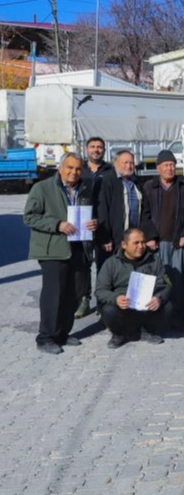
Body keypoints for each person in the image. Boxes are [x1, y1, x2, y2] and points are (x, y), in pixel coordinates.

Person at [23, 151, 97, 354]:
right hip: (53, 249)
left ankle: (62, 333)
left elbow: (91, 213)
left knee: (75, 293)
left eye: (78, 169)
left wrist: (94, 223)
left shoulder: (84, 188)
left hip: (79, 246)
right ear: (60, 168)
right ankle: (45, 337)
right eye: (70, 168)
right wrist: (58, 225)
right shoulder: (43, 188)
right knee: (54, 294)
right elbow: (29, 217)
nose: (74, 172)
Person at [139, 150, 184, 327]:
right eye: (166, 165)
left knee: (178, 280)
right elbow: (145, 215)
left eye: (172, 165)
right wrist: (149, 236)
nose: (170, 169)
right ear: (158, 168)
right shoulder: (149, 187)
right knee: (160, 279)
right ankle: (159, 317)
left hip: (178, 241)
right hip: (158, 242)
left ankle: (180, 318)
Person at [95, 228, 170, 348]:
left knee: (168, 306)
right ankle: (119, 334)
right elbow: (100, 291)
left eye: (143, 242)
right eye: (136, 243)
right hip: (123, 306)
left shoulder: (155, 260)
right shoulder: (111, 263)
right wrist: (116, 298)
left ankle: (146, 331)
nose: (141, 246)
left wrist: (158, 298)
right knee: (108, 310)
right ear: (124, 245)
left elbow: (166, 284)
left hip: (146, 306)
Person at [78, 136, 113, 318]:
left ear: (104, 150)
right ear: (86, 149)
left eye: (99, 147)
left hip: (103, 225)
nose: (96, 150)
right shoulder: (79, 169)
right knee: (83, 265)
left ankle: (102, 300)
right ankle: (84, 300)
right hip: (81, 225)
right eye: (92, 146)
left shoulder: (110, 171)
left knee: (103, 265)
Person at [96, 150, 143, 274]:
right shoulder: (107, 180)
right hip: (113, 239)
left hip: (132, 238)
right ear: (115, 163)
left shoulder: (136, 182)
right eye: (125, 162)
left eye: (131, 163)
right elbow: (102, 209)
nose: (129, 166)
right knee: (112, 273)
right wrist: (105, 237)